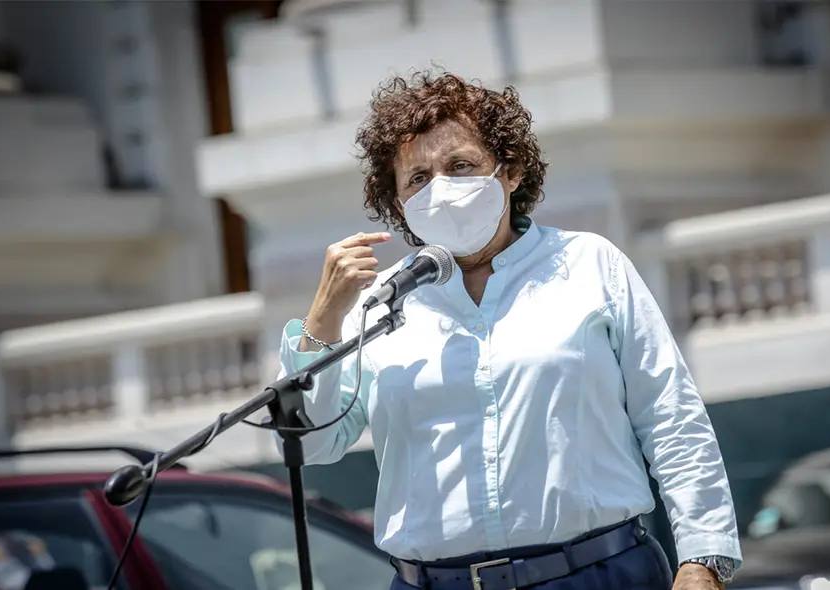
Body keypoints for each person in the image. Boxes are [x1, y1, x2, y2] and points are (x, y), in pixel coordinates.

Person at [276, 71, 742, 590]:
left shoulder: (589, 265)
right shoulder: (378, 303)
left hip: (598, 574)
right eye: (419, 178)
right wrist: (323, 320)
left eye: (460, 166)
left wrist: (704, 559)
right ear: (399, 201)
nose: (442, 189)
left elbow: (671, 417)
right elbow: (312, 447)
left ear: (510, 171)